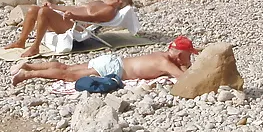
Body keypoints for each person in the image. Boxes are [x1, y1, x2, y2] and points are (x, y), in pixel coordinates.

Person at [12, 36, 199, 86]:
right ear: (180, 54)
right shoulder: (165, 64)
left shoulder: (161, 55)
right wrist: (186, 66)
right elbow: (184, 78)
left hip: (112, 59)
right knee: (67, 75)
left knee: (65, 66)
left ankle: (29, 64)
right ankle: (28, 74)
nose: (189, 58)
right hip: (114, 68)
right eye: (188, 54)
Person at [4, 0, 133, 58]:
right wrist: (53, 6)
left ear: (119, 2)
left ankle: (35, 47)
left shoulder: (109, 10)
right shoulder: (101, 2)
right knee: (33, 10)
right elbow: (74, 8)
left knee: (44, 12)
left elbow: (91, 17)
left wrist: (74, 16)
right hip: (71, 19)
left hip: (77, 27)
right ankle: (21, 42)